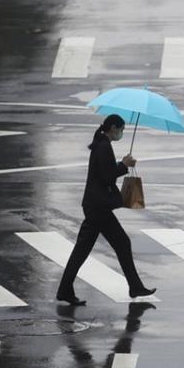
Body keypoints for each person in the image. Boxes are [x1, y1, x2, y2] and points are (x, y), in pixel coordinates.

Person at [56, 114, 156, 305]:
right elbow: (107, 177)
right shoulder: (103, 146)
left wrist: (121, 165)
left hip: (94, 205)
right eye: (121, 129)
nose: (122, 133)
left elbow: (105, 173)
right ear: (113, 128)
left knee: (83, 250)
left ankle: (64, 289)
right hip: (98, 207)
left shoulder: (101, 143)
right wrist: (124, 165)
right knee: (121, 243)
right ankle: (134, 286)